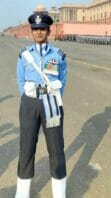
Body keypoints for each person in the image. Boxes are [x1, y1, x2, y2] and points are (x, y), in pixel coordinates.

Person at [15, 10, 67, 198]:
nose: (39, 32)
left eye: (42, 29)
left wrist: (52, 96)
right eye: (35, 28)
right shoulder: (24, 55)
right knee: (26, 147)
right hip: (29, 103)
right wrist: (31, 97)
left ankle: (59, 194)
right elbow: (20, 81)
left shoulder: (58, 55)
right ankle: (22, 193)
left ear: (48, 31)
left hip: (51, 102)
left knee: (56, 149)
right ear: (31, 31)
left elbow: (63, 80)